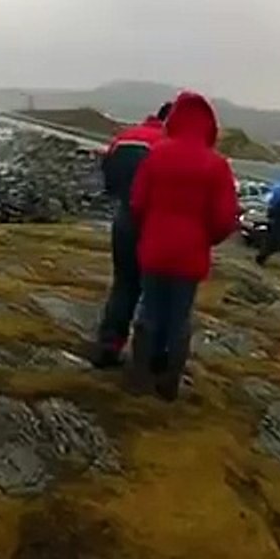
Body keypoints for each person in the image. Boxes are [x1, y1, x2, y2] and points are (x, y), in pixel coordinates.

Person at [129, 90, 240, 400]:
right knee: (179, 318)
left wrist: (149, 231)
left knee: (149, 311)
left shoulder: (157, 153)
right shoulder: (217, 165)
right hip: (189, 255)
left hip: (155, 248)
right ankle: (168, 383)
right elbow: (224, 219)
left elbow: (137, 203)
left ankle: (139, 377)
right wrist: (206, 239)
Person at [90, 102, 170, 368]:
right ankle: (150, 357)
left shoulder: (125, 137)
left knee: (124, 284)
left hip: (124, 219)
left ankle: (109, 344)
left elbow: (108, 178)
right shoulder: (167, 144)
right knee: (156, 290)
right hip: (154, 222)